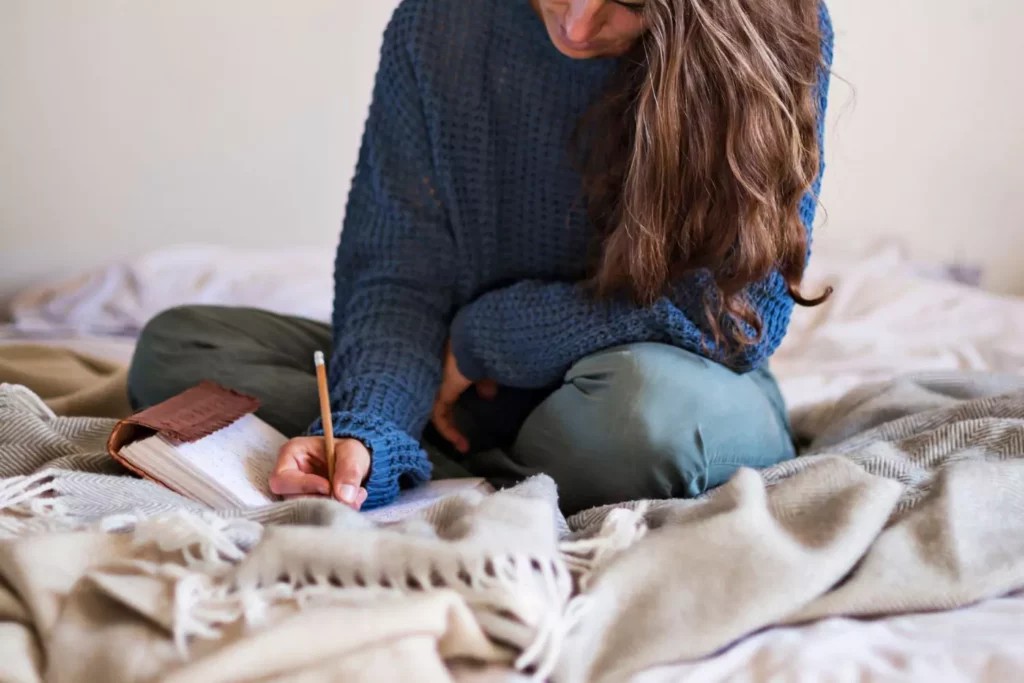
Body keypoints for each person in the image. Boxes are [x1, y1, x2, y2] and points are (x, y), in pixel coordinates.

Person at [127, 0, 834, 515]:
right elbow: (397, 272)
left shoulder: (775, 30)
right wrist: (370, 425)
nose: (578, 25)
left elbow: (730, 317)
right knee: (177, 350)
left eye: (629, 3)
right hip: (459, 393)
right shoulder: (435, 25)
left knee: (642, 422)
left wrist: (484, 340)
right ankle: (409, 454)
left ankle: (464, 456)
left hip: (656, 383)